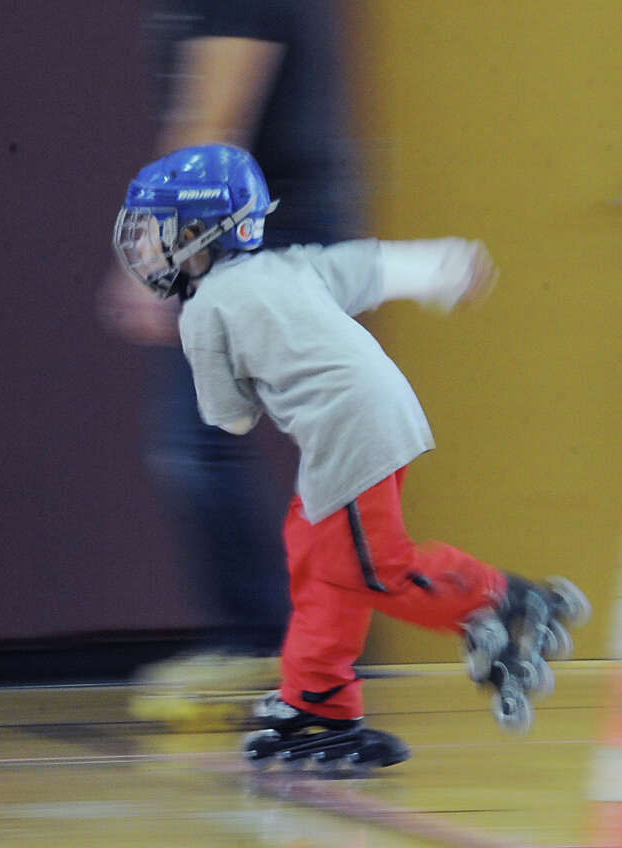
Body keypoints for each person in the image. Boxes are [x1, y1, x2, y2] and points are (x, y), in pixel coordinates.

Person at [113, 143, 590, 770]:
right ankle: (317, 700)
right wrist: (446, 267)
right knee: (315, 552)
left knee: (375, 568)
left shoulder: (202, 313)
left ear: (202, 232)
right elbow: (370, 267)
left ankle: (503, 600)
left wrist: (227, 355)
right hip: (376, 410)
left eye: (158, 231)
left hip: (349, 428)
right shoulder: (288, 267)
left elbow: (229, 420)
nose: (145, 248)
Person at [101, 0, 363, 722]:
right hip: (258, 228)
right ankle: (283, 647)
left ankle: (268, 646)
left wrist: (153, 253)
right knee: (203, 446)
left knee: (196, 447)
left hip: (271, 232)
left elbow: (213, 120)